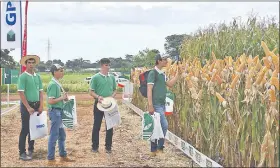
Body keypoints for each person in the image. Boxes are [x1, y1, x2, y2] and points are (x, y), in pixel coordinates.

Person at [147, 54, 180, 156]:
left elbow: (169, 84)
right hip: (156, 104)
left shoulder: (162, 74)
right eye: (164, 60)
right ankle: (159, 148)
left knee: (157, 126)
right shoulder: (153, 73)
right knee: (164, 125)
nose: (166, 61)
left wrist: (178, 74)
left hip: (162, 104)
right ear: (158, 61)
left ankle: (154, 150)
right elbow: (149, 89)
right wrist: (150, 105)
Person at [47, 64, 74, 165]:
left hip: (59, 111)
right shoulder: (53, 84)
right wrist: (62, 98)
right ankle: (51, 159)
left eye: (63, 70)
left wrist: (63, 98)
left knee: (61, 135)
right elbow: (50, 101)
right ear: (54, 72)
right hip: (55, 112)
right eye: (60, 70)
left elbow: (56, 99)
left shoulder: (57, 83)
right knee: (54, 135)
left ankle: (63, 155)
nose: (62, 72)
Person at [17, 55, 43, 161]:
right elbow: (21, 93)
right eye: (29, 63)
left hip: (36, 105)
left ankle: (31, 149)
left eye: (32, 62)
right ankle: (22, 152)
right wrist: (28, 107)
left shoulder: (38, 76)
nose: (31, 64)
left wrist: (41, 105)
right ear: (26, 64)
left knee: (33, 128)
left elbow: (41, 92)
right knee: (25, 129)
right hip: (26, 106)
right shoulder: (23, 77)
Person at [89, 58, 117, 153]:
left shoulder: (112, 77)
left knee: (110, 126)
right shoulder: (95, 77)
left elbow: (115, 89)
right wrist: (98, 97)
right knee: (96, 126)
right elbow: (91, 92)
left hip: (110, 105)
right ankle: (95, 146)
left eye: (109, 65)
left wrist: (111, 98)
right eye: (106, 65)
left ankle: (108, 147)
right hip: (99, 104)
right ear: (101, 66)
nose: (108, 67)